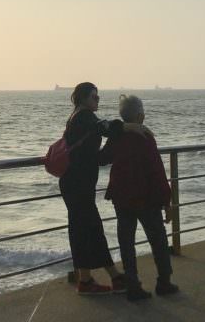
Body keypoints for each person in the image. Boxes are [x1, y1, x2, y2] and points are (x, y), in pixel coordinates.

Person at [58, 82, 147, 295]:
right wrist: (130, 127)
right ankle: (110, 277)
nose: (97, 100)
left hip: (76, 184)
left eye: (98, 97)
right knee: (91, 229)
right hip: (77, 185)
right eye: (94, 97)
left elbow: (93, 154)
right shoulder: (83, 117)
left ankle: (88, 279)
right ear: (83, 99)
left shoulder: (79, 117)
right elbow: (106, 127)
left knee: (84, 230)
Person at [99, 95, 178, 302]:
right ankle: (164, 282)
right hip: (146, 198)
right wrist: (167, 201)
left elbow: (102, 158)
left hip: (121, 197)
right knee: (158, 240)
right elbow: (157, 171)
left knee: (126, 242)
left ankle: (132, 285)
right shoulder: (145, 136)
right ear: (140, 115)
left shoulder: (117, 136)